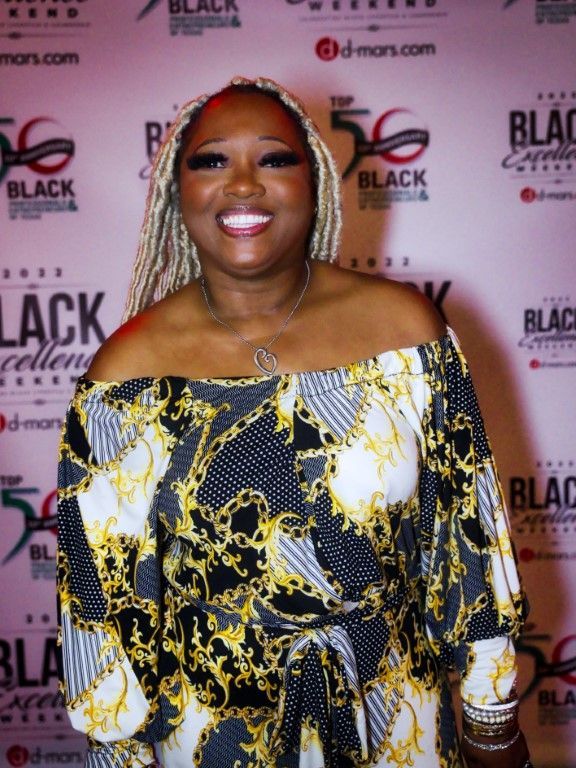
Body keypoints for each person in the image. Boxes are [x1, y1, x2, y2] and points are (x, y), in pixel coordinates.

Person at [56, 76, 532, 768]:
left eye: (273, 159)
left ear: (314, 181)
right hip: (213, 742)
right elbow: (101, 611)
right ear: (174, 191)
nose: (243, 185)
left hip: (400, 727)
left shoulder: (406, 332)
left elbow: (467, 542)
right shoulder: (125, 375)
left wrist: (492, 722)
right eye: (212, 160)